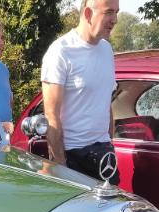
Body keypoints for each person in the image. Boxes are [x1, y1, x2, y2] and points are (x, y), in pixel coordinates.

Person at [41, 0, 120, 184]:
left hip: (104, 155)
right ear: (88, 14)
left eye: (116, 12)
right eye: (109, 12)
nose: (115, 19)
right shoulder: (60, 51)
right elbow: (51, 115)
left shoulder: (107, 49)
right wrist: (61, 166)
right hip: (73, 155)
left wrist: (110, 144)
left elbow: (106, 104)